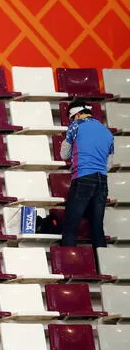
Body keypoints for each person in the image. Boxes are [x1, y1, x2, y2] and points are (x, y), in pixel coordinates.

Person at [60, 100, 114, 250]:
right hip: (102, 180)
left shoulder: (76, 126)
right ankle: (103, 268)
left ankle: (69, 267)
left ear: (77, 115)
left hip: (83, 177)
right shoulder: (107, 132)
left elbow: (64, 154)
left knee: (71, 225)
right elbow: (108, 164)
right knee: (97, 228)